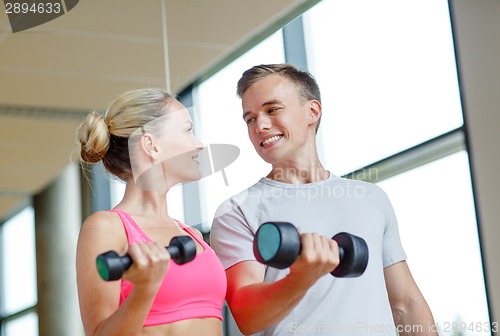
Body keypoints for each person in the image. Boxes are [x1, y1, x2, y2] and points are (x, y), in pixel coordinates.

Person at [210, 64, 437, 336]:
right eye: (250, 118)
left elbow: (406, 304)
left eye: (272, 110)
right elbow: (247, 317)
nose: (260, 125)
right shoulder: (237, 211)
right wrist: (302, 277)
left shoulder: (370, 198)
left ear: (312, 111)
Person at [76, 88, 227, 336]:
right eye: (187, 130)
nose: (199, 144)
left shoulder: (190, 234)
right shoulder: (107, 228)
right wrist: (145, 288)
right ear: (151, 145)